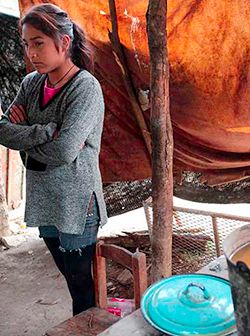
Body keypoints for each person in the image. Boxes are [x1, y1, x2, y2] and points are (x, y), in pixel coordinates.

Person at [0, 3, 107, 316]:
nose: (32, 53)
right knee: (69, 275)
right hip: (44, 197)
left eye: (39, 43)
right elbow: (3, 131)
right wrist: (45, 130)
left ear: (63, 43)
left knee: (80, 285)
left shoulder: (85, 88)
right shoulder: (30, 84)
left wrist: (23, 132)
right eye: (27, 44)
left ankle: (86, 326)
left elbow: (64, 152)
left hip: (76, 202)